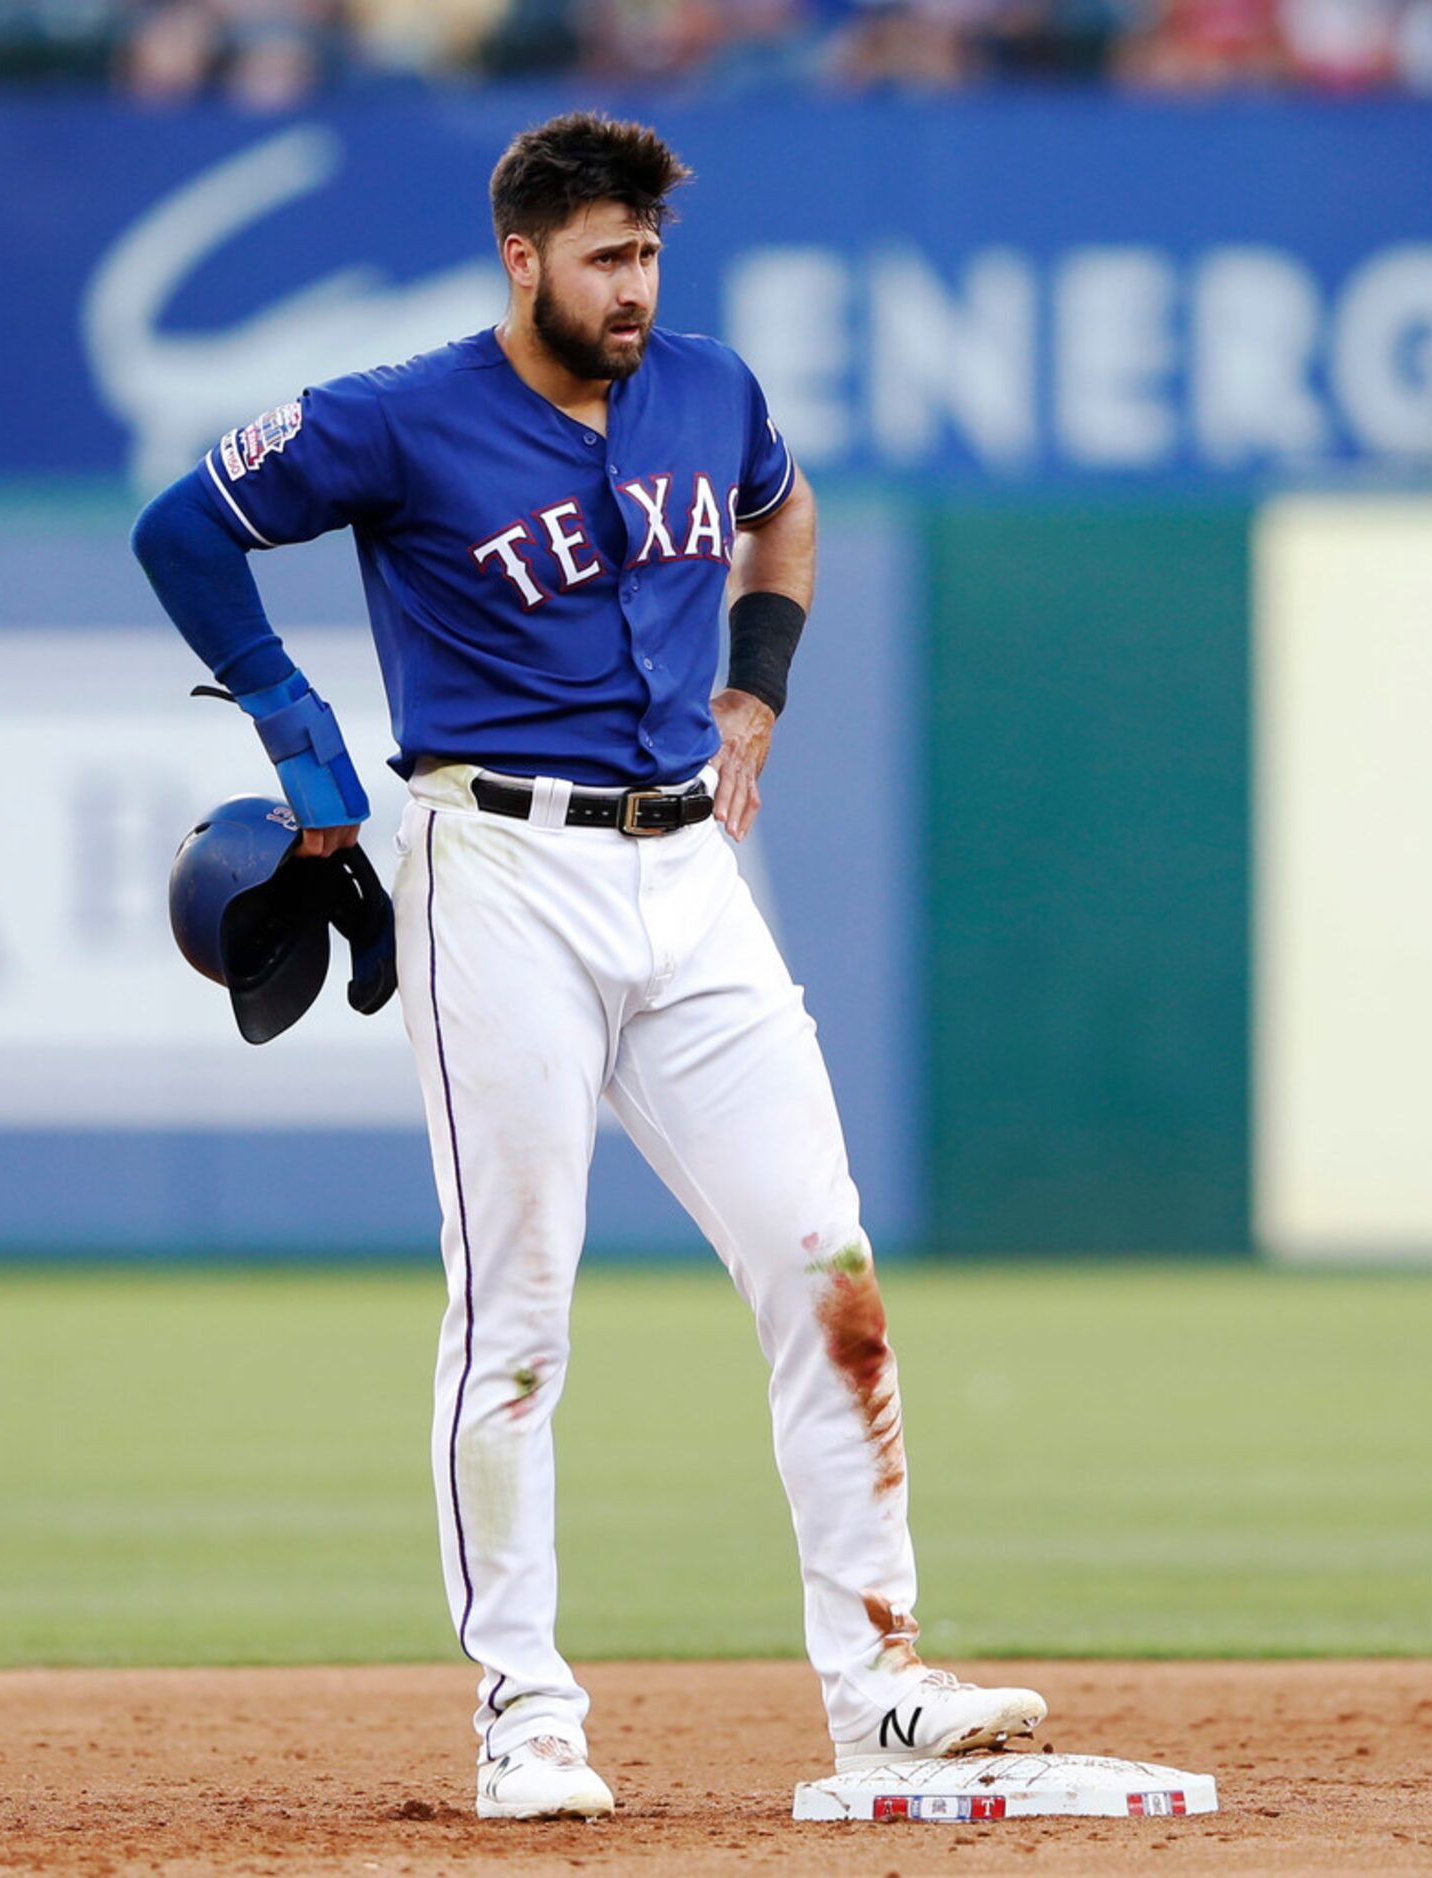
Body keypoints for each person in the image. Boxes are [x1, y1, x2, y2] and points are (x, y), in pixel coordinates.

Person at [131, 110, 1046, 1822]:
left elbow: (785, 521)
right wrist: (294, 720)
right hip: (500, 868)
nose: (634, 286)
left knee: (823, 1268)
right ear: (522, 256)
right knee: (515, 1317)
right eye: (605, 255)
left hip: (691, 870)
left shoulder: (712, 389)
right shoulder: (394, 417)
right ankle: (525, 1709)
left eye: (648, 254)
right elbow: (182, 529)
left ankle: (880, 1686)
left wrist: (754, 690)